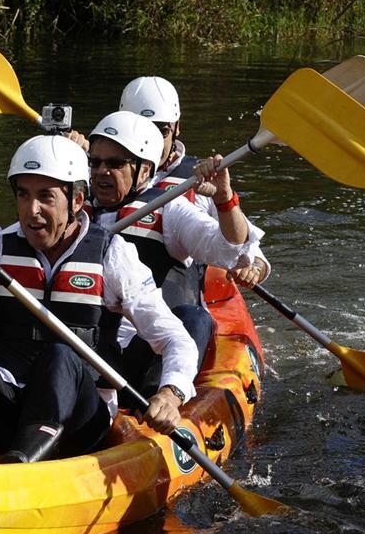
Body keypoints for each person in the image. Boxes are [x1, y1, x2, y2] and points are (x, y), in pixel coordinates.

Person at [0, 135, 197, 466]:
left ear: (77, 200)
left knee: (60, 356)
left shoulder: (113, 255)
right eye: (23, 195)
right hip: (6, 406)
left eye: (45, 197)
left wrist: (171, 394)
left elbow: (173, 338)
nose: (31, 210)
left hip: (78, 421)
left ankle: (20, 467)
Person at [84, 111, 267, 400]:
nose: (101, 171)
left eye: (115, 164)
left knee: (194, 319)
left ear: (145, 170)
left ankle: (162, 399)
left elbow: (230, 250)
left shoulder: (170, 209)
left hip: (142, 353)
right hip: (83, 351)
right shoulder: (71, 210)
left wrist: (224, 200)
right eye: (94, 162)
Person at [119, 74, 270, 290]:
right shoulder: (98, 173)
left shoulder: (201, 179)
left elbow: (246, 250)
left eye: (160, 131)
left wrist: (254, 266)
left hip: (173, 299)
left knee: (196, 322)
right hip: (116, 295)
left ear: (177, 127)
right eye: (141, 129)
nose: (149, 141)